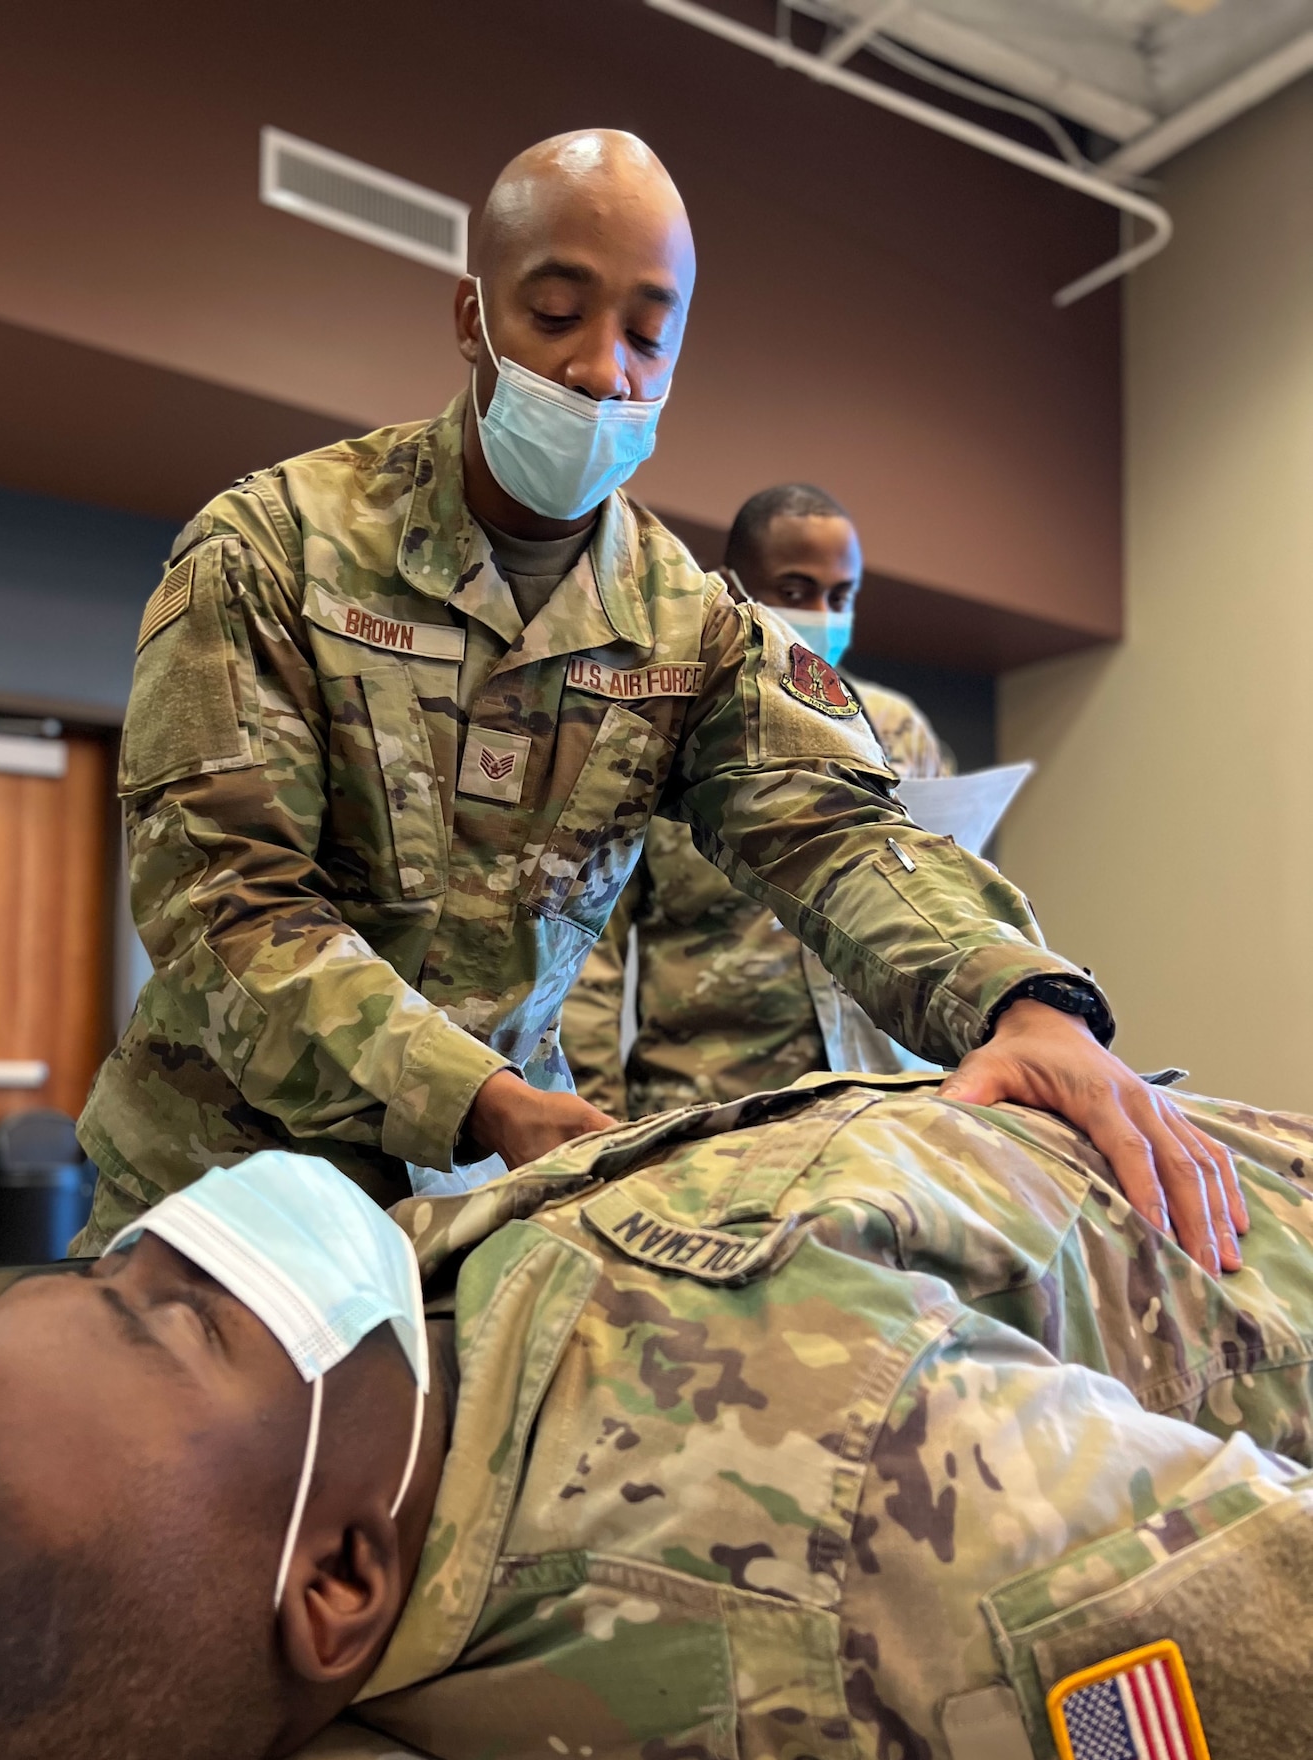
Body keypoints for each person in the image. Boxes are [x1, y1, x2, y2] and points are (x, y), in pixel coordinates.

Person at [73, 123, 1244, 1279]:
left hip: (494, 1208)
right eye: (555, 313)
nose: (600, 370)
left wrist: (1022, 1000)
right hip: (231, 1192)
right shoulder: (275, 549)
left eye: (647, 334)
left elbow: (839, 830)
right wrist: (480, 1099)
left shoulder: (690, 624)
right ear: (472, 314)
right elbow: (229, 903)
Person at [0, 1073, 1313, 1760]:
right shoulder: (839, 1528)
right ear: (341, 1582)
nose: (175, 1241)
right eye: (177, 1316)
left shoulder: (387, 1406)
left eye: (102, 1270)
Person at [562, 483, 950, 1118]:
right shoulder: (663, 726)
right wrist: (597, 1134)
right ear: (735, 588)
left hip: (889, 1108)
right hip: (718, 1113)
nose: (822, 612)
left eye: (841, 596)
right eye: (795, 593)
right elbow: (589, 959)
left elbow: (939, 911)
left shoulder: (898, 731)